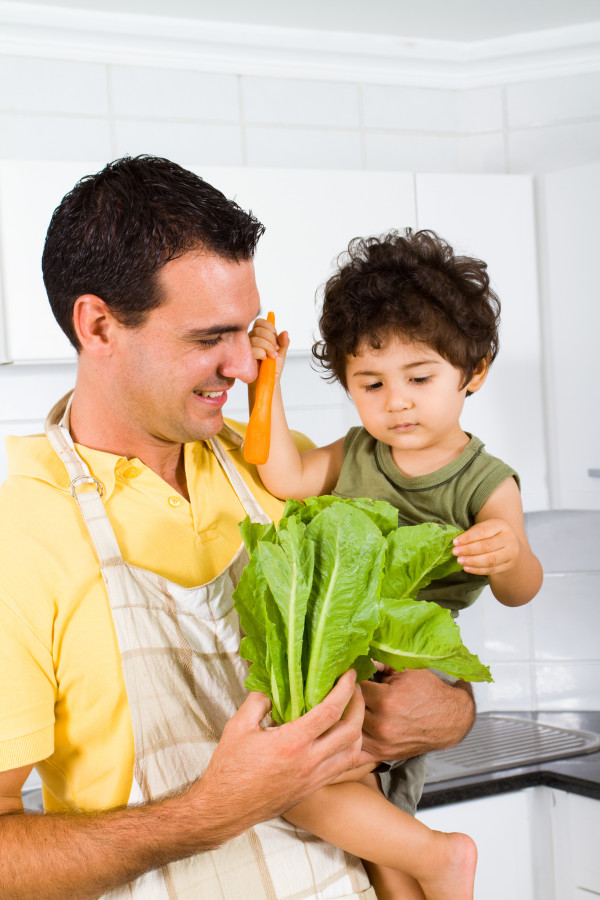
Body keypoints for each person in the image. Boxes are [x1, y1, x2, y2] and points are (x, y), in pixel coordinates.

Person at [0, 157, 476, 900]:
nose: (244, 366)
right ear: (98, 324)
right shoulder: (22, 536)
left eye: (246, 330)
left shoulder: (269, 470)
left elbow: (415, 658)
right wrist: (213, 809)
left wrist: (443, 709)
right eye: (207, 338)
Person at [248, 228, 543, 899]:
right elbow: (283, 475)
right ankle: (436, 865)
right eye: (370, 382)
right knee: (366, 825)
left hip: (414, 655)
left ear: (475, 371)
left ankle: (442, 859)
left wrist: (509, 553)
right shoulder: (357, 453)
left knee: (305, 787)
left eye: (419, 377)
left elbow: (523, 591)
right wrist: (267, 379)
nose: (397, 400)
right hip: (348, 650)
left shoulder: (485, 482)